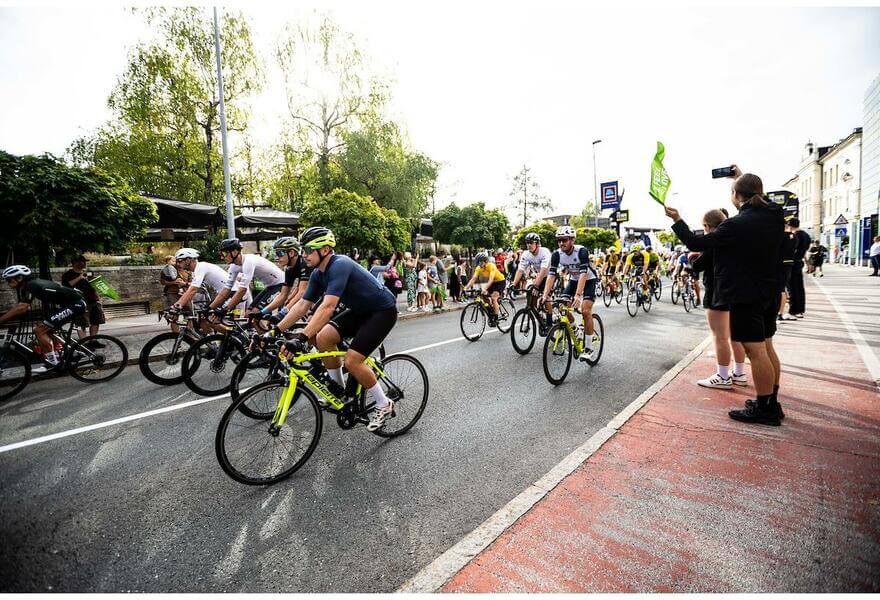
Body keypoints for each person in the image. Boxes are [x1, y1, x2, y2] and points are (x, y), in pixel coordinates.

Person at [665, 168, 786, 426]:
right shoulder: (775, 214)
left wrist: (676, 219)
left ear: (735, 194)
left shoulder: (736, 225)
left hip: (746, 294)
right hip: (770, 290)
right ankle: (771, 401)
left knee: (755, 349)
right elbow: (759, 197)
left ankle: (765, 408)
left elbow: (696, 244)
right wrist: (741, 178)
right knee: (766, 346)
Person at [265, 226, 399, 432]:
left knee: (353, 360)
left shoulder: (340, 264)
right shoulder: (318, 274)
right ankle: (339, 392)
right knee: (324, 337)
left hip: (382, 312)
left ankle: (384, 404)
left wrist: (301, 337)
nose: (304, 255)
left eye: (309, 250)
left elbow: (328, 307)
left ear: (325, 250)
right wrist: (275, 330)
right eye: (303, 250)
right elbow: (302, 305)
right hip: (360, 311)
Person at [690, 210, 748, 389]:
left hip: (717, 291)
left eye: (704, 227)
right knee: (735, 335)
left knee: (720, 336)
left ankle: (723, 376)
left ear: (707, 226)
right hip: (735, 290)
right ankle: (739, 373)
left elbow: (699, 265)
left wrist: (694, 259)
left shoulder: (715, 241)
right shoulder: (735, 238)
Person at [0, 265, 86, 373]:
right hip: (71, 304)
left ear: (19, 278)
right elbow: (22, 306)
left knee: (39, 330)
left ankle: (51, 363)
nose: (8, 283)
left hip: (75, 304)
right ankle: (72, 352)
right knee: (46, 330)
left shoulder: (31, 285)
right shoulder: (30, 284)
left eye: (9, 279)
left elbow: (22, 307)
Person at [541, 225, 600, 361]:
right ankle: (576, 330)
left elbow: (584, 274)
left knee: (585, 311)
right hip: (574, 280)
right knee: (563, 307)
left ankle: (589, 348)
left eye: (565, 240)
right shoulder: (556, 254)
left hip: (589, 280)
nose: (561, 243)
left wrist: (578, 296)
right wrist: (545, 295)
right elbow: (551, 275)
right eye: (559, 240)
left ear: (572, 240)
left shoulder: (581, 251)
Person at [171, 247, 249, 334]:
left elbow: (193, 290)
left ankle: (234, 337)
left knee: (210, 319)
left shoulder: (201, 267)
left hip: (233, 293)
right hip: (225, 294)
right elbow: (193, 289)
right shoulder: (196, 271)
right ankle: (212, 342)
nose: (178, 264)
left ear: (188, 260)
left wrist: (176, 306)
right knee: (203, 318)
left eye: (180, 261)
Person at [209, 238, 285, 321]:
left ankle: (270, 333)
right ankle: (260, 333)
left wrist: (225, 309)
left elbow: (242, 291)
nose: (222, 257)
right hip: (269, 286)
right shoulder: (233, 267)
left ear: (234, 252)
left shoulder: (248, 261)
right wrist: (210, 307)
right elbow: (226, 289)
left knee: (255, 314)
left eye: (223, 253)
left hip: (281, 284)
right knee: (248, 315)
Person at [61, 255, 105, 345]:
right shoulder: (68, 274)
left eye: (85, 262)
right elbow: (66, 286)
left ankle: (93, 340)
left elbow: (94, 285)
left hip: (93, 300)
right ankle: (83, 343)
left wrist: (98, 296)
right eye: (82, 261)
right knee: (81, 323)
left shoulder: (89, 272)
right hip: (79, 302)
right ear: (75, 263)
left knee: (96, 321)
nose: (84, 263)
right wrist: (80, 277)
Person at [464, 251, 506, 326]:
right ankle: (491, 310)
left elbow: (491, 279)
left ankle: (496, 319)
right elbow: (473, 279)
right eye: (478, 263)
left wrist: (485, 288)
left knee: (493, 298)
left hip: (500, 281)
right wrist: (465, 288)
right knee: (483, 296)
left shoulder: (491, 266)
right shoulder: (479, 268)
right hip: (492, 283)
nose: (480, 265)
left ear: (485, 261)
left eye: (481, 263)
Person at [787, 218, 810, 318]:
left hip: (792, 263)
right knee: (800, 287)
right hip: (799, 262)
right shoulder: (806, 235)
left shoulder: (795, 236)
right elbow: (805, 251)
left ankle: (793, 310)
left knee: (792, 287)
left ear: (790, 226)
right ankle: (800, 309)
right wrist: (807, 263)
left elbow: (792, 249)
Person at [777, 220, 798, 322]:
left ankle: (780, 313)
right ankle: (780, 312)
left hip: (781, 264)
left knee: (780, 290)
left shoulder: (781, 237)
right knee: (783, 289)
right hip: (789, 264)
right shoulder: (794, 237)